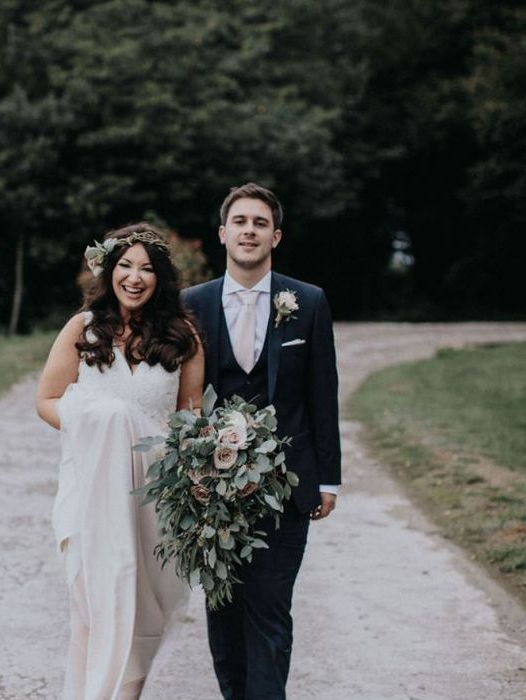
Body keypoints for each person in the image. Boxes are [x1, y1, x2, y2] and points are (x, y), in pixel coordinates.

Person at [181, 183, 341, 700]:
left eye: (260, 223)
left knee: (270, 612)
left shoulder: (308, 301)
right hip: (212, 489)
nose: (250, 230)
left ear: (276, 235)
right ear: (223, 233)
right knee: (223, 614)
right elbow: (176, 393)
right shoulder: (192, 304)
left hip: (286, 487)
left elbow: (323, 393)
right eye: (240, 221)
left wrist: (328, 478)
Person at [36, 223, 205, 700]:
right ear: (110, 271)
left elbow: (191, 419)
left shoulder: (183, 337)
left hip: (152, 499)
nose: (135, 278)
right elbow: (47, 400)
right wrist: (97, 420)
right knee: (94, 607)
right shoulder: (82, 328)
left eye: (147, 269)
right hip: (91, 491)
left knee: (138, 612)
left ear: (161, 279)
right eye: (126, 266)